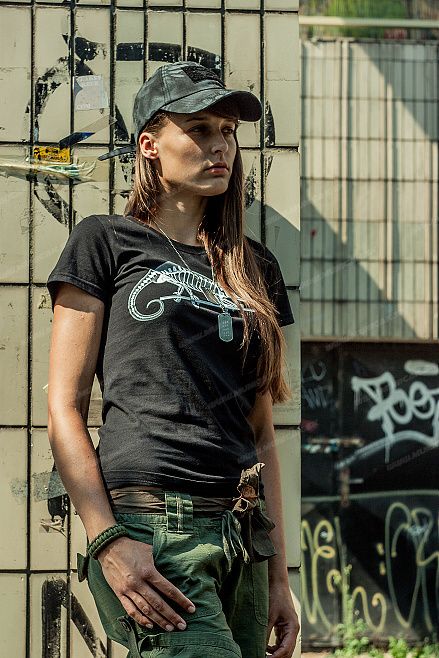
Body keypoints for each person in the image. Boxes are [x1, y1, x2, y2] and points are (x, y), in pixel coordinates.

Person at [46, 60, 299, 658]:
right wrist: (107, 541)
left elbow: (262, 433)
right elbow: (64, 408)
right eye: (200, 129)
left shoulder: (254, 266)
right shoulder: (105, 241)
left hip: (242, 535)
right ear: (149, 145)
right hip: (154, 528)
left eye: (228, 132)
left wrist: (279, 577)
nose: (220, 146)